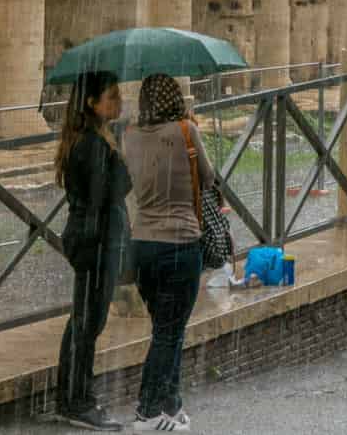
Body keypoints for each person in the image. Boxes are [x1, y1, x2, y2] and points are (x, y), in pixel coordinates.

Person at [119, 76, 209, 431]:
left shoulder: (130, 135)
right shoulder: (186, 130)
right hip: (180, 243)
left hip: (143, 245)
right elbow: (209, 176)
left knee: (165, 328)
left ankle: (172, 406)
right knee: (169, 332)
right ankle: (147, 411)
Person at [55, 71, 130, 432]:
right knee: (87, 324)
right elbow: (109, 194)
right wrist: (120, 159)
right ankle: (77, 401)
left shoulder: (92, 140)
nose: (119, 102)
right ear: (91, 103)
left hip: (92, 239)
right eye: (112, 96)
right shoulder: (92, 145)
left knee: (85, 322)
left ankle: (73, 397)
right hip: (94, 241)